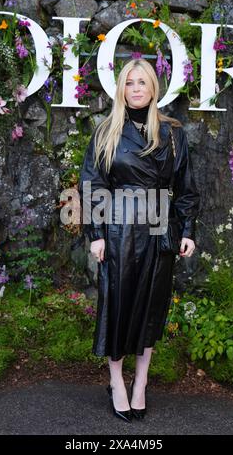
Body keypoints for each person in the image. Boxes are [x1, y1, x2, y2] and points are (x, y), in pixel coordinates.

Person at [78, 58, 200, 423]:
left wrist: (188, 230)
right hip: (118, 232)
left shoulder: (173, 133)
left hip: (160, 231)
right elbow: (92, 184)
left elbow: (186, 188)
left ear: (153, 88)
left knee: (150, 309)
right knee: (117, 306)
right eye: (129, 82)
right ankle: (116, 381)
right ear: (121, 88)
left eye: (142, 82)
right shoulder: (106, 132)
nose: (135, 88)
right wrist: (96, 235)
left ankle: (141, 383)